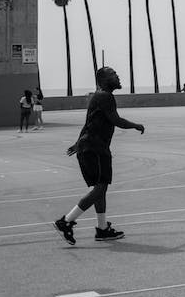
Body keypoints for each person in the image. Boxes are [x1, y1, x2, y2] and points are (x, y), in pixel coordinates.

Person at [53, 66, 145, 245]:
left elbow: (88, 123)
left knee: (99, 189)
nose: (117, 76)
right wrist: (136, 125)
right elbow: (116, 120)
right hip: (95, 149)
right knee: (100, 189)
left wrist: (78, 142)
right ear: (102, 79)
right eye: (113, 74)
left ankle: (102, 229)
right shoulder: (104, 96)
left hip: (89, 147)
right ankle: (66, 221)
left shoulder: (99, 96)